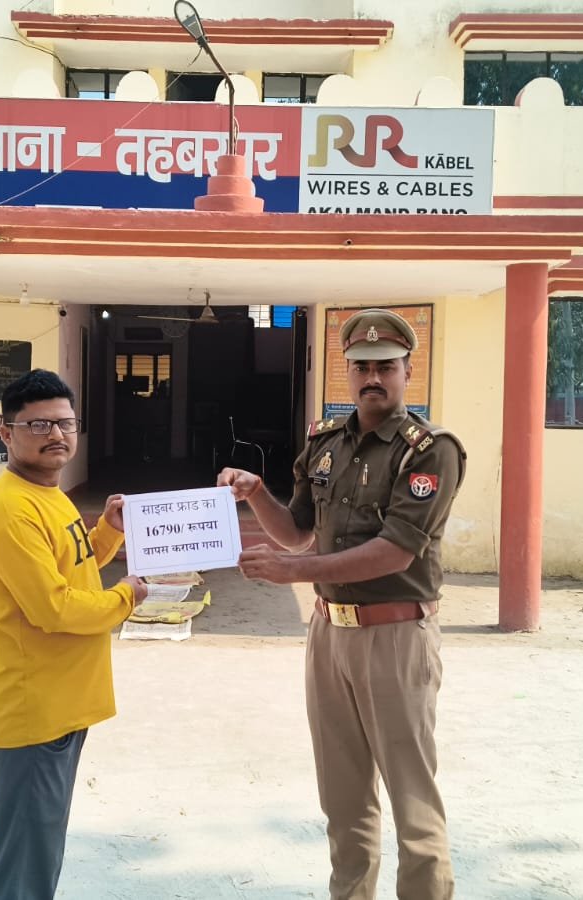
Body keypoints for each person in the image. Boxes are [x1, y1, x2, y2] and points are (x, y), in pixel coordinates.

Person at [219, 309, 466, 899]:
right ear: (346, 372)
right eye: (361, 367)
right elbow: (297, 531)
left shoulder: (429, 451)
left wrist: (295, 572)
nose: (372, 377)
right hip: (329, 635)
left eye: (386, 366)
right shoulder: (325, 443)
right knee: (343, 796)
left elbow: (395, 552)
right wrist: (258, 495)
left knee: (412, 802)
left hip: (395, 636)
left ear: (408, 371)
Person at [0, 368, 147, 899]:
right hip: (35, 712)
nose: (56, 435)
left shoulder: (49, 494)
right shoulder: (10, 509)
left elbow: (71, 564)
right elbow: (53, 607)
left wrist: (108, 531)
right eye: (39, 425)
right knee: (23, 866)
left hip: (60, 704)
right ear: (6, 434)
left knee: (38, 853)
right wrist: (126, 598)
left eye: (65, 423)